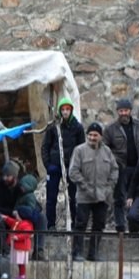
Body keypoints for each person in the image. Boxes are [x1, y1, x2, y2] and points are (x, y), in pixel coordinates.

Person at [68, 122, 118, 262]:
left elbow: (115, 170)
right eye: (90, 135)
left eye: (95, 135)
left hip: (103, 197)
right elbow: (73, 172)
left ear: (100, 136)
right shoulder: (79, 150)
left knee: (99, 226)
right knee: (80, 225)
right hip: (84, 196)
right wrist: (85, 187)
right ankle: (77, 253)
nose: (92, 137)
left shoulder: (107, 151)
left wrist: (109, 188)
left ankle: (93, 254)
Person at [102, 97, 139, 233]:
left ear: (130, 111)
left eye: (126, 110)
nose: (123, 113)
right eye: (121, 110)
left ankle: (135, 226)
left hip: (138, 167)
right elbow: (105, 148)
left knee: (138, 197)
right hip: (120, 167)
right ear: (117, 112)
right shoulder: (110, 129)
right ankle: (120, 226)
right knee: (119, 198)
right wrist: (114, 162)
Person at [41, 96, 85, 230]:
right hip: (55, 166)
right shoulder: (53, 127)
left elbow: (81, 147)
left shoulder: (77, 127)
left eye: (68, 109)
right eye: (63, 109)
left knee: (72, 197)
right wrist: (48, 165)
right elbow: (45, 146)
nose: (65, 112)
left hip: (71, 167)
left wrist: (78, 166)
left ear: (71, 110)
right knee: (51, 197)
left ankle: (73, 224)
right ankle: (50, 224)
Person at [0, 161, 47, 260]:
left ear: (15, 177)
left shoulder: (22, 187)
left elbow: (35, 206)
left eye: (8, 176)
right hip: (5, 218)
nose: (5, 178)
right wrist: (12, 213)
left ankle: (39, 251)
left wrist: (23, 212)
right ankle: (1, 250)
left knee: (41, 217)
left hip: (21, 219)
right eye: (4, 175)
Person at [1, 211, 34, 279]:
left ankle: (22, 276)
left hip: (22, 246)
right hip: (17, 246)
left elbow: (26, 234)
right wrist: (6, 218)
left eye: (18, 215)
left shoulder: (27, 224)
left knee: (21, 262)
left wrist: (17, 237)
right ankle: (21, 275)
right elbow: (11, 221)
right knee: (19, 262)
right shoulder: (17, 222)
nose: (16, 216)